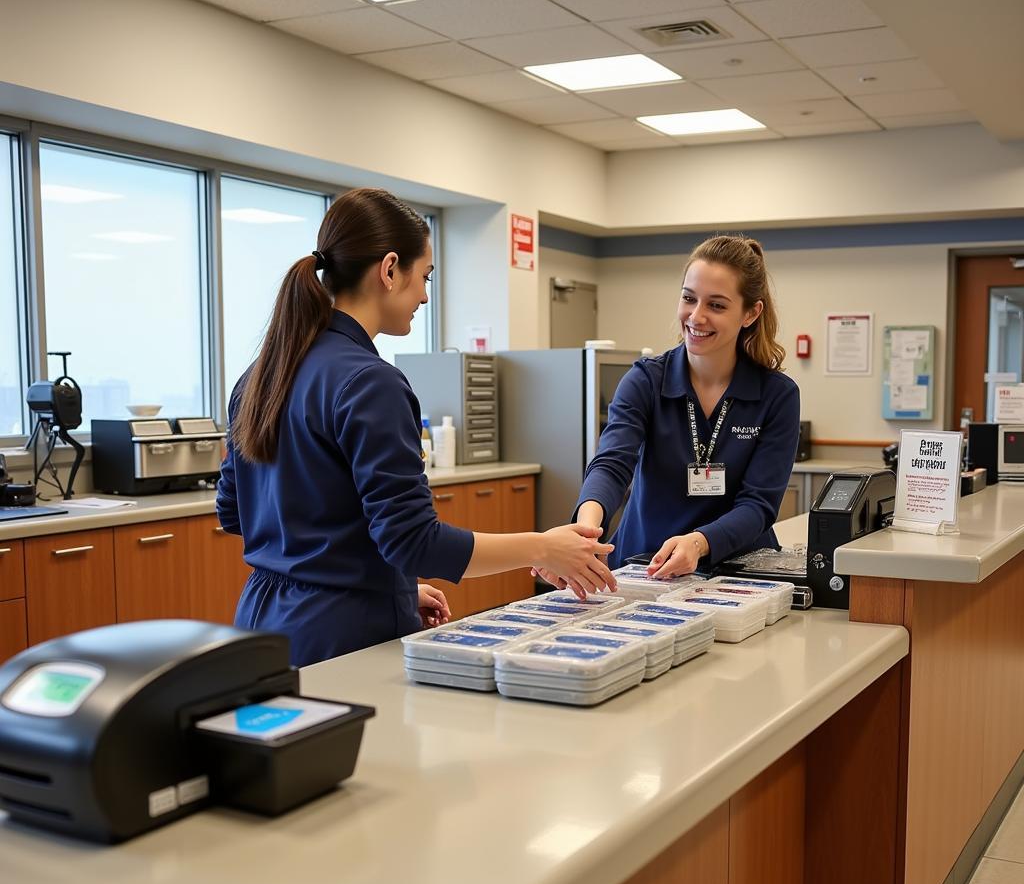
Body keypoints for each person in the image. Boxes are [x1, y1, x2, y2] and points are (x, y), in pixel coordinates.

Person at [216, 189, 615, 667]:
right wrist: (544, 547)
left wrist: (391, 586)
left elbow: (235, 513)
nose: (425, 295)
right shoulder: (370, 382)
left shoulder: (261, 374)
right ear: (389, 270)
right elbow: (413, 541)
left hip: (262, 626)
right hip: (342, 636)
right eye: (424, 277)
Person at [537, 234, 799, 591]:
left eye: (717, 305)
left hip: (736, 573)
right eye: (689, 298)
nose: (696, 316)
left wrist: (698, 542)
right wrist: (586, 533)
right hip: (643, 568)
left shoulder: (776, 396)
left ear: (751, 313)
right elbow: (612, 464)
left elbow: (758, 504)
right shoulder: (645, 380)